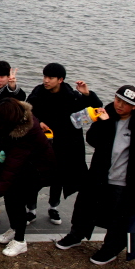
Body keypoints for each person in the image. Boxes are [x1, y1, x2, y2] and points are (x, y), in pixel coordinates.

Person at [55, 86, 135, 265]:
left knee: (120, 218)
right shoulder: (107, 115)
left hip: (126, 181)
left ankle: (111, 248)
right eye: (118, 100)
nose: (120, 105)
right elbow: (92, 140)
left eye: (126, 104)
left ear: (134, 106)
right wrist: (102, 122)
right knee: (85, 207)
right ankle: (76, 235)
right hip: (99, 175)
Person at [26, 63, 101, 226]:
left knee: (58, 178)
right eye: (44, 77)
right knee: (34, 176)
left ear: (60, 79)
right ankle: (30, 210)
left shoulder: (72, 96)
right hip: (42, 142)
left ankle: (54, 207)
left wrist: (87, 94)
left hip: (65, 144)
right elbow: (27, 111)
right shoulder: (38, 93)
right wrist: (37, 122)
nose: (46, 80)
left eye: (50, 78)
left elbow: (97, 109)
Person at [0, 99, 56, 257]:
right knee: (10, 196)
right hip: (25, 165)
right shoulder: (18, 121)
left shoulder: (25, 135)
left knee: (16, 199)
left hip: (37, 169)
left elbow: (11, 169)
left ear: (7, 119)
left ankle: (20, 240)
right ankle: (15, 227)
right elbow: (5, 139)